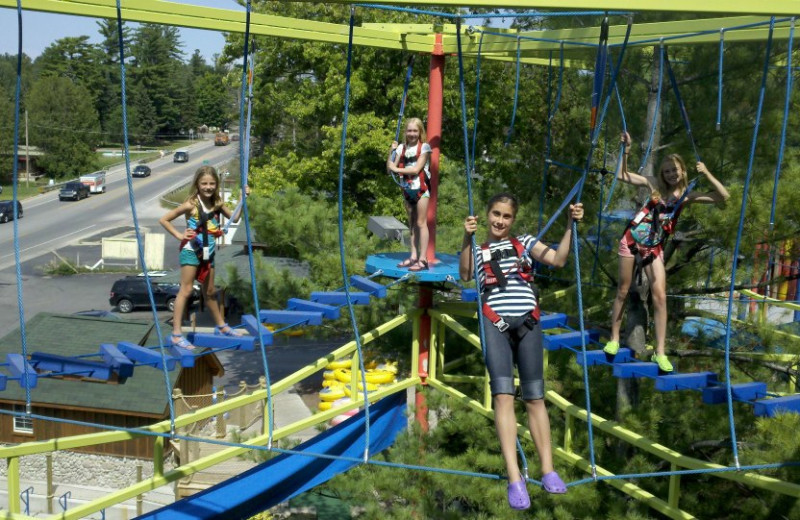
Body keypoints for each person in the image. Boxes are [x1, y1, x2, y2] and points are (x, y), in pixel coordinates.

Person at [459, 192, 584, 509]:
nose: (500, 221)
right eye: (496, 214)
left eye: (506, 216)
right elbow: (464, 274)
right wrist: (466, 237)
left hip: (528, 321)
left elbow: (557, 259)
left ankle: (548, 470)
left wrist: (570, 225)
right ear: (488, 214)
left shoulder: (525, 242)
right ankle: (515, 478)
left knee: (534, 397)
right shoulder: (478, 249)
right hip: (495, 322)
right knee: (502, 395)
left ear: (513, 220)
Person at [603, 132, 730, 372]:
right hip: (632, 239)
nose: (671, 174)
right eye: (667, 170)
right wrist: (627, 150)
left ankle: (659, 352)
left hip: (653, 248)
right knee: (623, 289)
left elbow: (723, 197)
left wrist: (707, 173)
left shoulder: (686, 196)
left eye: (675, 170)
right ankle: (614, 338)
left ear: (683, 171)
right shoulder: (654, 184)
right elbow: (621, 175)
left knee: (660, 296)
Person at [159, 166, 249, 349]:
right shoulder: (191, 204)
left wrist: (242, 200)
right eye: (204, 183)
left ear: (216, 185)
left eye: (212, 184)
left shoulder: (217, 203)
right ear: (197, 185)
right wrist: (179, 235)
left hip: (208, 250)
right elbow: (164, 219)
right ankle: (176, 334)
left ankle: (222, 326)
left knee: (209, 292)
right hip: (191, 250)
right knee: (186, 290)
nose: (208, 187)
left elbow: (235, 218)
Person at [387, 117, 432, 272]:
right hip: (407, 189)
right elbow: (389, 168)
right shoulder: (401, 148)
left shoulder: (425, 148)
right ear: (405, 132)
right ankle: (413, 255)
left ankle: (423, 258)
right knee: (412, 224)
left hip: (421, 189)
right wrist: (391, 151)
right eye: (409, 130)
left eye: (415, 131)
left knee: (421, 223)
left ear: (420, 132)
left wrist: (396, 169)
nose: (412, 133)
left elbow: (415, 169)